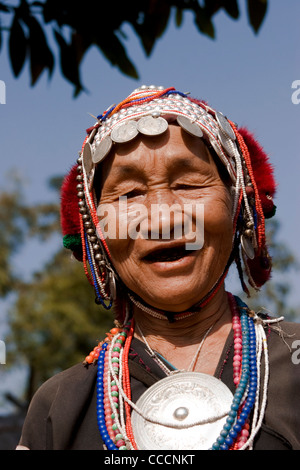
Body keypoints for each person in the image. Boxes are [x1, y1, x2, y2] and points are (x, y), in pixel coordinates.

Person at [17, 85, 300, 450]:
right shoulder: (60, 405)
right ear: (95, 230)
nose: (161, 218)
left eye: (187, 183)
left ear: (238, 207)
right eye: (129, 194)